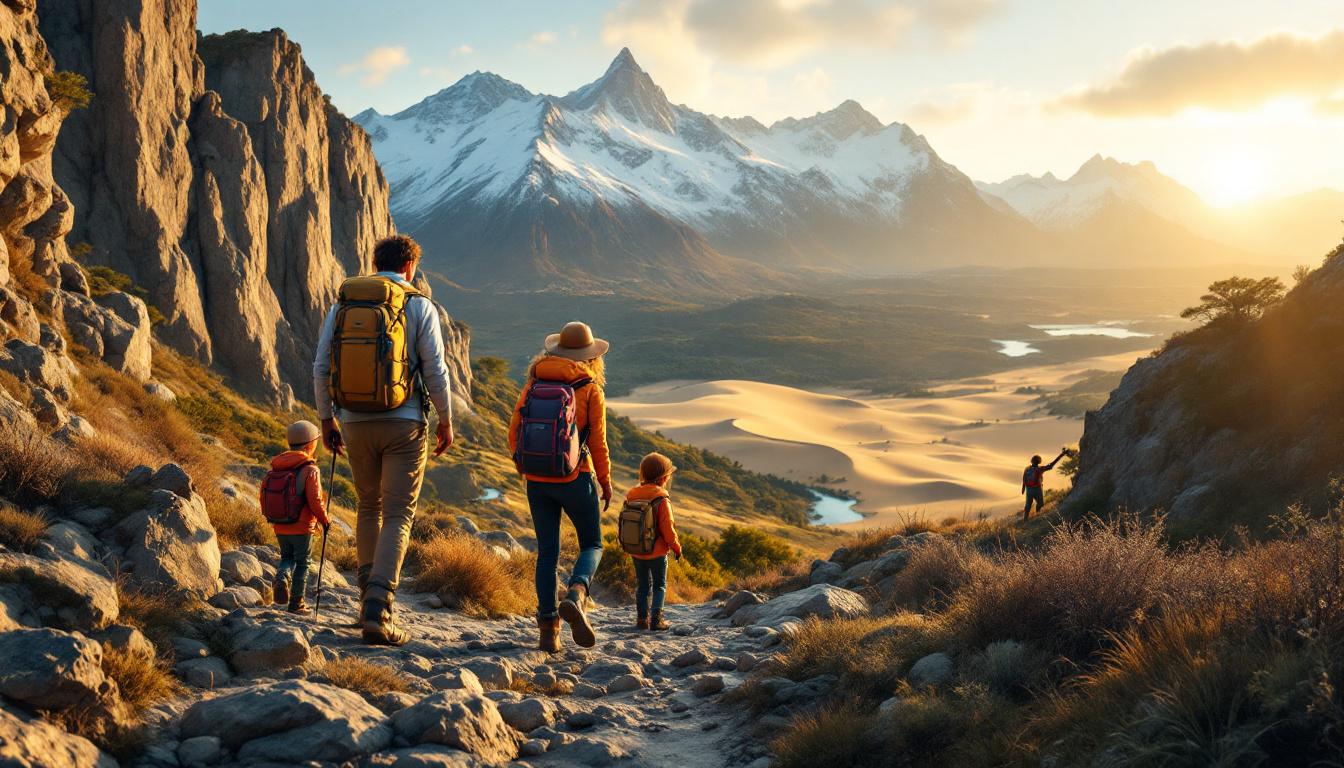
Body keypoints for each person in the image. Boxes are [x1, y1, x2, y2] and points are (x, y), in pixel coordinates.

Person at [312, 235, 455, 646]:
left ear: (374, 263)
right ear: (411, 267)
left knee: (367, 504)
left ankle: (365, 602)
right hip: (404, 423)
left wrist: (327, 420)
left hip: (353, 422)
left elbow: (321, 366)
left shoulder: (342, 305)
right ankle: (380, 610)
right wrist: (445, 420)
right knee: (397, 514)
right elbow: (436, 372)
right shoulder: (418, 304)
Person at [509, 322, 612, 653]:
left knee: (547, 553)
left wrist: (525, 467)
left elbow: (514, 433)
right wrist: (605, 483)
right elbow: (598, 444)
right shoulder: (590, 388)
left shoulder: (534, 382)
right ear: (590, 356)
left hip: (538, 481)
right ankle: (577, 594)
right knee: (592, 544)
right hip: (575, 477)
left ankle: (548, 631)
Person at [263, 420, 331, 614]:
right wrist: (324, 520)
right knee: (303, 562)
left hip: (280, 524)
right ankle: (296, 603)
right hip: (302, 527)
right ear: (311, 444)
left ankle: (282, 576)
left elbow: (263, 495)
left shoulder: (277, 467)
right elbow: (315, 500)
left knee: (287, 557)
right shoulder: (310, 470)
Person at [626, 452, 683, 631]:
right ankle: (657, 621)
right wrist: (676, 547)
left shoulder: (632, 494)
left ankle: (642, 620)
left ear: (642, 473)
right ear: (664, 478)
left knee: (642, 586)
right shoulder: (661, 498)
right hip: (657, 552)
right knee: (659, 585)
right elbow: (668, 529)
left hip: (637, 550)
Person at [1022, 447, 1070, 521]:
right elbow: (1051, 465)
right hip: (1037, 489)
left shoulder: (1027, 468)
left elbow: (1024, 478)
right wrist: (1062, 455)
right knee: (1040, 504)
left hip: (1029, 489)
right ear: (1039, 461)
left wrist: (1023, 488)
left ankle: (1025, 519)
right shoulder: (1040, 469)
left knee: (1028, 505)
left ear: (1031, 461)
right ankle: (1037, 516)